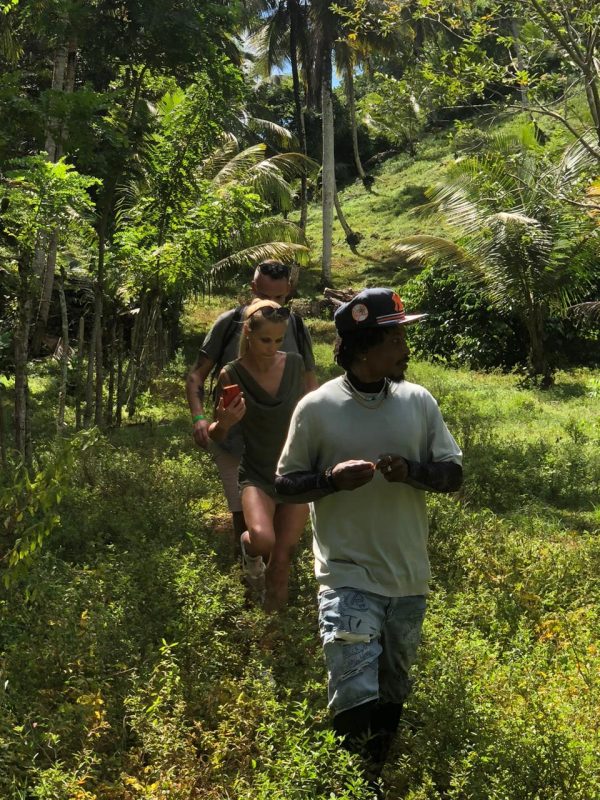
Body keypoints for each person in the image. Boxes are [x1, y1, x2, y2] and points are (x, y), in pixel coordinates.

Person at [274, 288, 463, 783]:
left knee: (392, 688)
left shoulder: (419, 401)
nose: (405, 348)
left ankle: (372, 776)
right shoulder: (316, 408)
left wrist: (411, 471)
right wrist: (330, 482)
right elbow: (285, 485)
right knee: (354, 687)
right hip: (346, 574)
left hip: (408, 578)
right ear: (365, 346)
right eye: (396, 336)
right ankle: (352, 785)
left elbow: (453, 475)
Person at [185, 261, 318, 544]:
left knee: (283, 533)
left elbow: (310, 382)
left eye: (280, 298)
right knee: (244, 521)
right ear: (252, 289)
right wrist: (200, 419)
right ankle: (248, 577)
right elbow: (196, 375)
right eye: (265, 296)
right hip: (236, 442)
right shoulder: (229, 323)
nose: (271, 304)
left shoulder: (294, 324)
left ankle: (270, 579)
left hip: (281, 445)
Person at [209, 298, 310, 611]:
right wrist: (222, 423)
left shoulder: (294, 364)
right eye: (265, 339)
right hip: (257, 473)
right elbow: (217, 434)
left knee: (282, 559)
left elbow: (313, 411)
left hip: (296, 472)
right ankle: (248, 551)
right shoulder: (231, 374)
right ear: (249, 335)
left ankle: (271, 627)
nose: (272, 346)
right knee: (264, 541)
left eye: (278, 340)